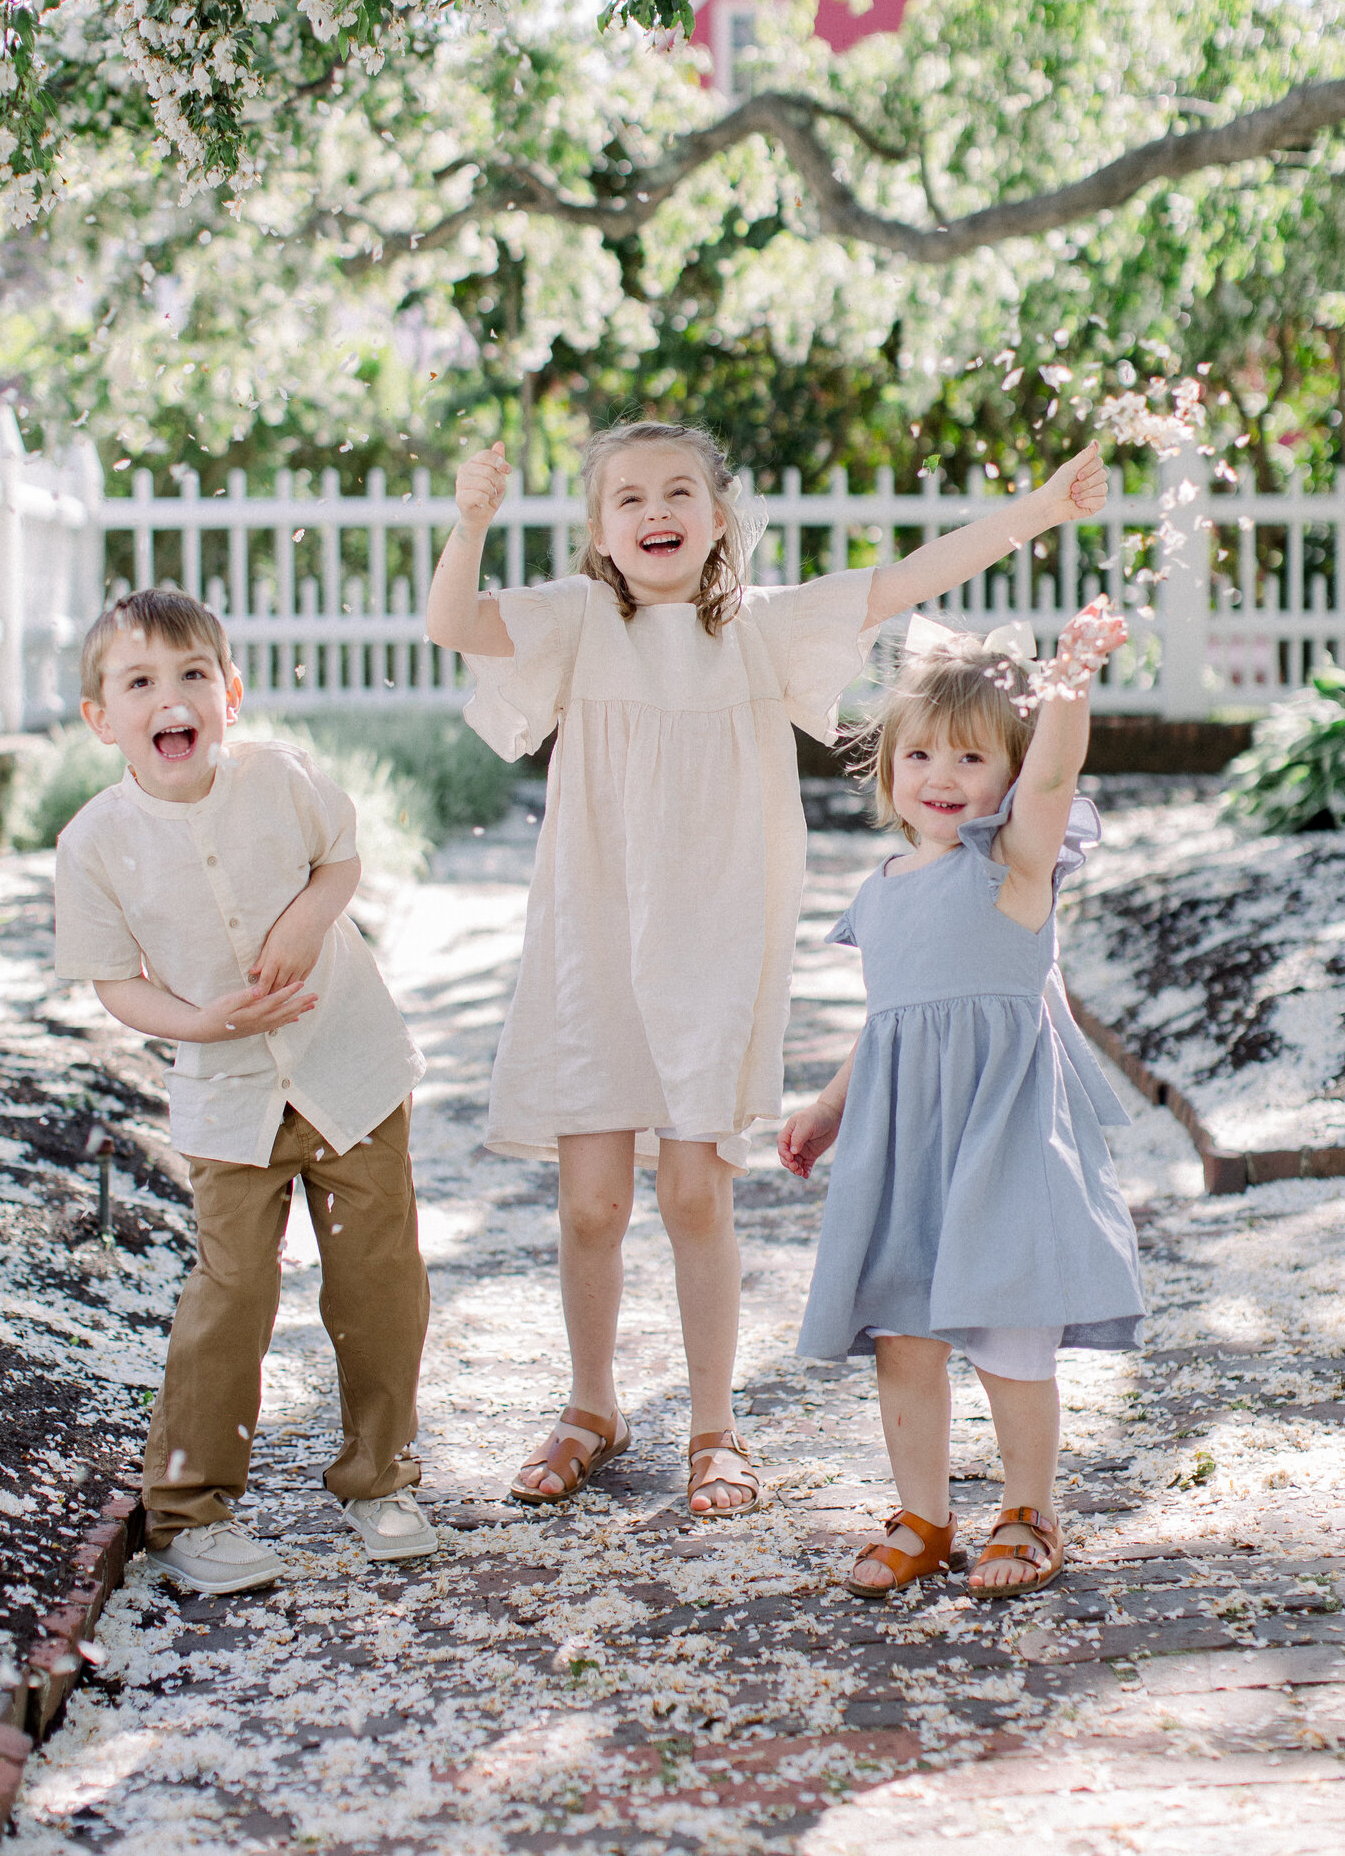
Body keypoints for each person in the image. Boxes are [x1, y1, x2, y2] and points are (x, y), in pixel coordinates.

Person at [426, 420, 1111, 1518]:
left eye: (681, 491)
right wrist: (470, 520)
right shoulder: (575, 621)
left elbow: (903, 581)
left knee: (697, 1190)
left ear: (719, 515)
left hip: (713, 941)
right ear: (600, 531)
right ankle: (590, 1404)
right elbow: (452, 620)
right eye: (630, 498)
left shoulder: (761, 632)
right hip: (590, 938)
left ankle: (714, 1424)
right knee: (592, 1203)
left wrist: (1039, 507)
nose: (657, 512)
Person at [53, 588, 433, 1593]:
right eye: (139, 682)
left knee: (377, 1278)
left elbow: (339, 862)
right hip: (228, 1096)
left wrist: (309, 918)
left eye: (191, 677)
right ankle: (188, 1508)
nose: (169, 698)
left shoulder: (281, 779)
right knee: (232, 1291)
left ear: (229, 693)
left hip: (347, 1067)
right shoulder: (95, 843)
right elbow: (115, 980)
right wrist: (199, 1022)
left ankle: (378, 1476)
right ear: (102, 717)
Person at [780, 601, 1146, 1600]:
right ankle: (923, 1513)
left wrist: (1066, 684)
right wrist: (827, 1105)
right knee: (903, 1337)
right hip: (903, 1139)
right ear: (887, 769)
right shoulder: (885, 887)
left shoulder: (1012, 868)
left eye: (971, 760)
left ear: (1010, 779)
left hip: (999, 1131)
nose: (940, 779)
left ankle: (1028, 1508)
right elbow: (894, 1020)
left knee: (1008, 1335)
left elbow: (1058, 774)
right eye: (920, 758)